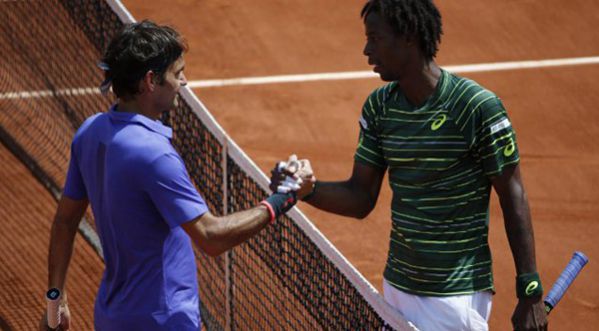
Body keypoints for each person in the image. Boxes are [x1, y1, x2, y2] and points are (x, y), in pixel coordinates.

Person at [271, 1, 547, 330]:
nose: (366, 50)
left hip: (453, 293)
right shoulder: (380, 108)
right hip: (397, 287)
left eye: (375, 38)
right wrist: (308, 191)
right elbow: (361, 197)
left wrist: (530, 291)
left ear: (408, 37)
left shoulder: (476, 107)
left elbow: (513, 194)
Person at [40, 20, 296, 331]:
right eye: (177, 73)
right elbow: (211, 236)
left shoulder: (90, 132)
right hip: (164, 320)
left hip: (112, 318)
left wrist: (55, 303)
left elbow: (66, 221)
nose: (184, 82)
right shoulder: (153, 153)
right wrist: (284, 198)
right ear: (150, 81)